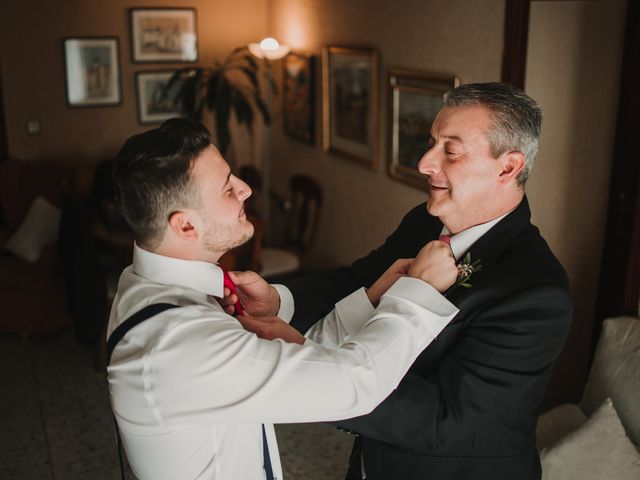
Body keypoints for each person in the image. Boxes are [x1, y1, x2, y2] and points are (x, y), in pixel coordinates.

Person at [233, 83, 572, 480]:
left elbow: (444, 420)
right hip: (370, 461)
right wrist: (279, 301)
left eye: (450, 151)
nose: (426, 163)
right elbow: (358, 280)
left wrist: (315, 367)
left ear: (508, 167)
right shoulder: (425, 220)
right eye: (431, 143)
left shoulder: (537, 292)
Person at [106, 118, 462, 480]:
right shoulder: (182, 343)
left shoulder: (142, 285)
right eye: (227, 188)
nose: (245, 189)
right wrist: (419, 294)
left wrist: (374, 297)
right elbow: (353, 383)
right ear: (185, 226)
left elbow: (306, 361)